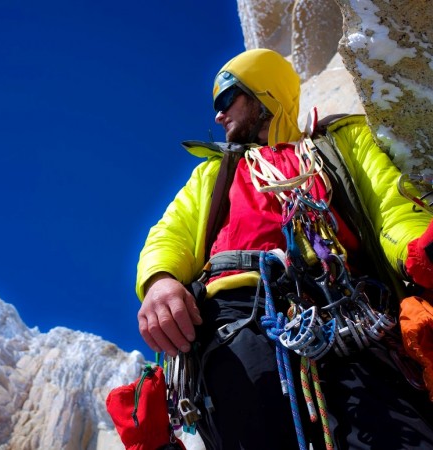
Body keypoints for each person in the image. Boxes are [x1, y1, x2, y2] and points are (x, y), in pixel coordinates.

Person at [135, 48, 433, 449]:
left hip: (348, 307)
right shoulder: (214, 172)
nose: (218, 116)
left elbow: (388, 205)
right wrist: (159, 281)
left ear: (264, 93)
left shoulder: (341, 142)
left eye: (226, 100)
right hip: (241, 315)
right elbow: (172, 233)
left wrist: (418, 250)